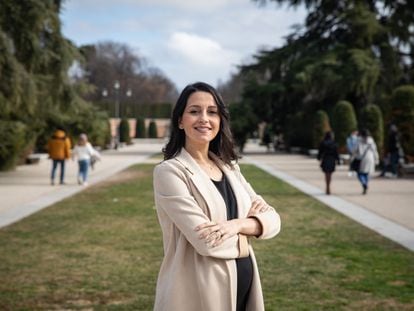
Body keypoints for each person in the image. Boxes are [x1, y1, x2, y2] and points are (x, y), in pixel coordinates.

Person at [152, 82, 281, 311]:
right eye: (194, 111)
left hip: (244, 293)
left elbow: (274, 219)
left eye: (212, 112)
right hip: (198, 295)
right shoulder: (170, 172)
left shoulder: (230, 167)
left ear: (220, 120)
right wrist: (254, 228)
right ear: (180, 121)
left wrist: (237, 225)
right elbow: (207, 242)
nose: (204, 118)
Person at [353, 129, 379, 194]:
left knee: (360, 173)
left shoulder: (358, 140)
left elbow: (354, 150)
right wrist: (376, 159)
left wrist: (354, 156)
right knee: (367, 173)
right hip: (370, 157)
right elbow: (375, 150)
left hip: (361, 158)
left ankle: (364, 183)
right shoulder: (371, 141)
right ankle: (366, 183)